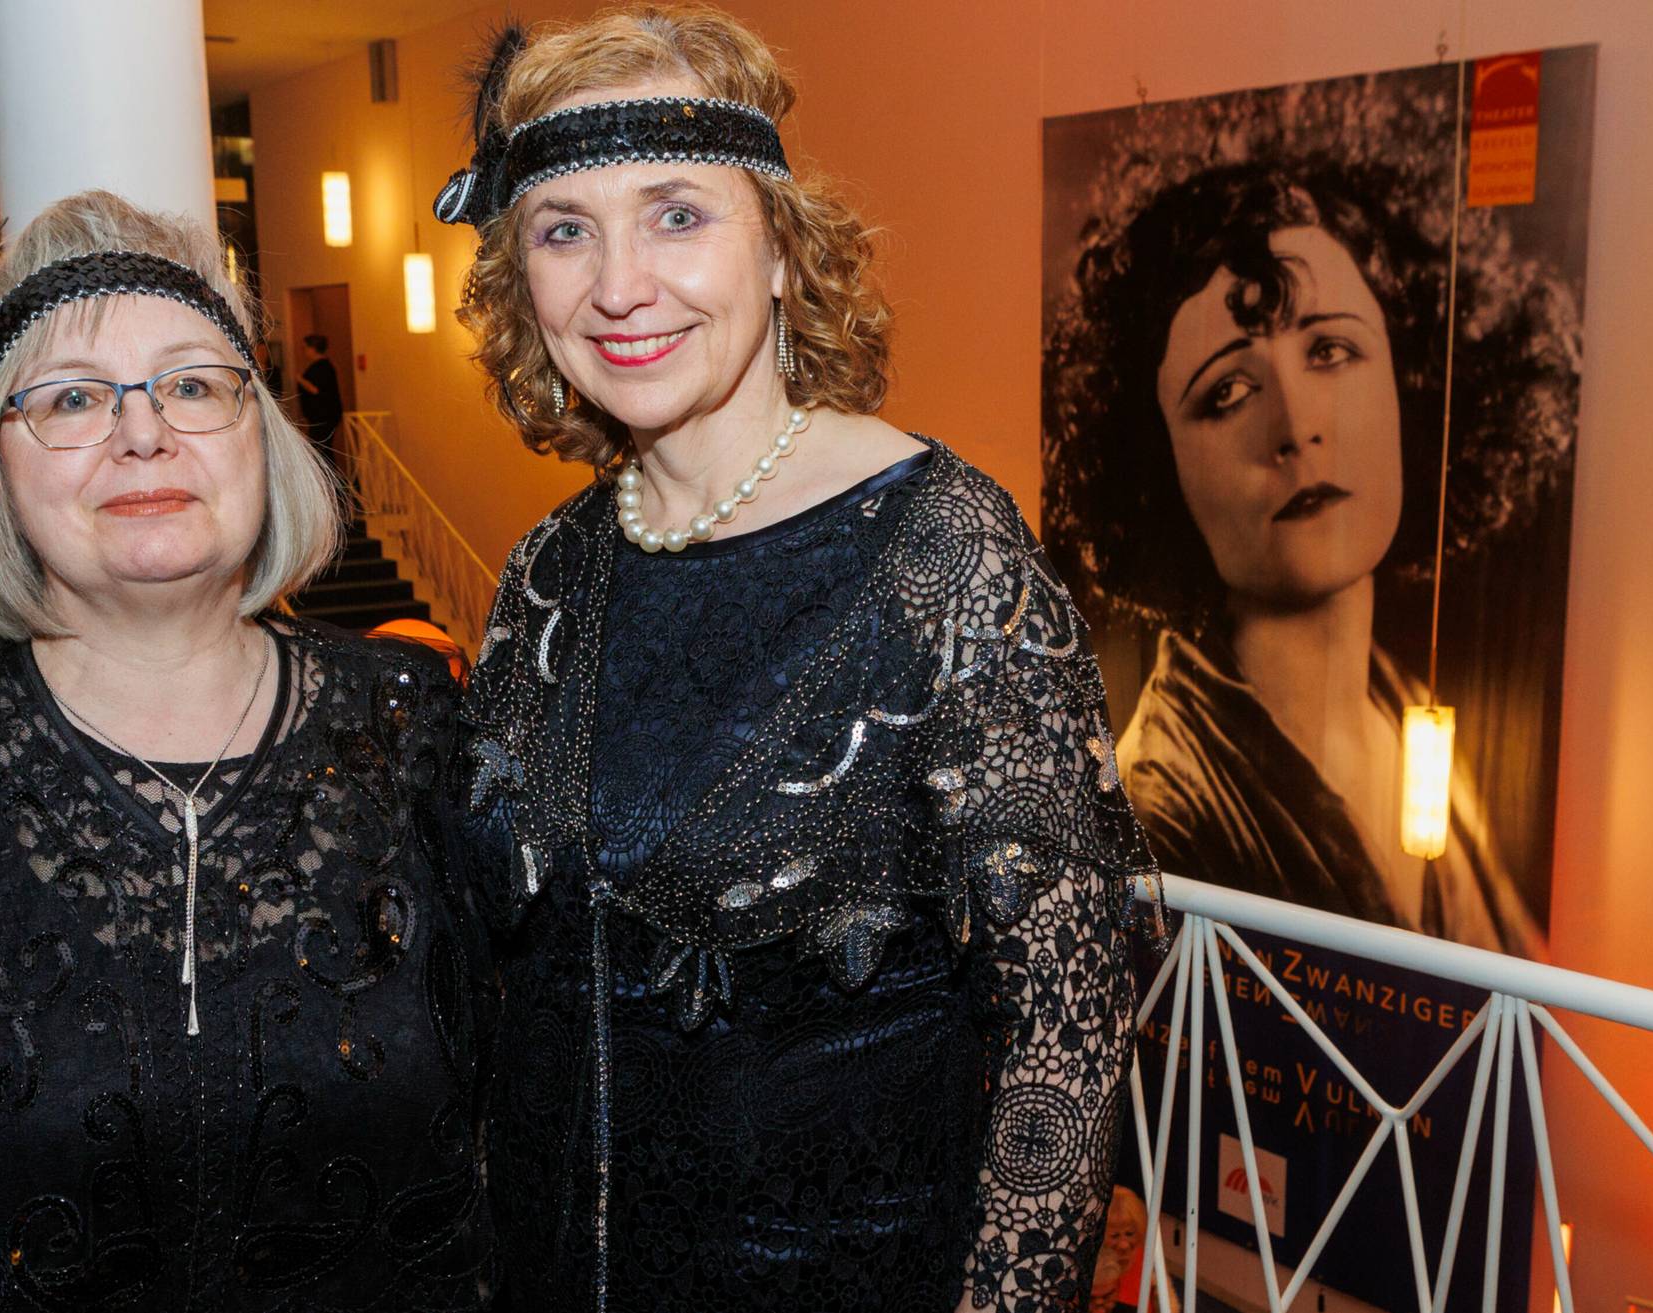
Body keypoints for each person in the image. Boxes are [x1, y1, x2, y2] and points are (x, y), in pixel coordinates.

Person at [437, 9, 1159, 1310]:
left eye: (676, 215)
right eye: (563, 230)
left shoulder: (938, 550)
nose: (618, 285)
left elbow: (1068, 1026)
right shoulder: (551, 566)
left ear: (779, 249)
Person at [0, 189, 492, 1312]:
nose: (143, 432)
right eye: (73, 397)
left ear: (263, 438)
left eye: (192, 384)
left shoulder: (419, 729)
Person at [1041, 160, 1570, 955]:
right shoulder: (1161, 811)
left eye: (1329, 349)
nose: (1296, 426)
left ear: (1410, 377)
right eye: (1227, 392)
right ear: (1158, 470)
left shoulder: (1417, 726)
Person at [294, 333, 344, 465]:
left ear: (313, 348)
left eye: (305, 348)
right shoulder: (322, 366)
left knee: (320, 450)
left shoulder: (322, 367)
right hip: (321, 417)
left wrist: (300, 380)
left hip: (323, 417)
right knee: (322, 449)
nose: (303, 352)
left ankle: (329, 476)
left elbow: (315, 390)